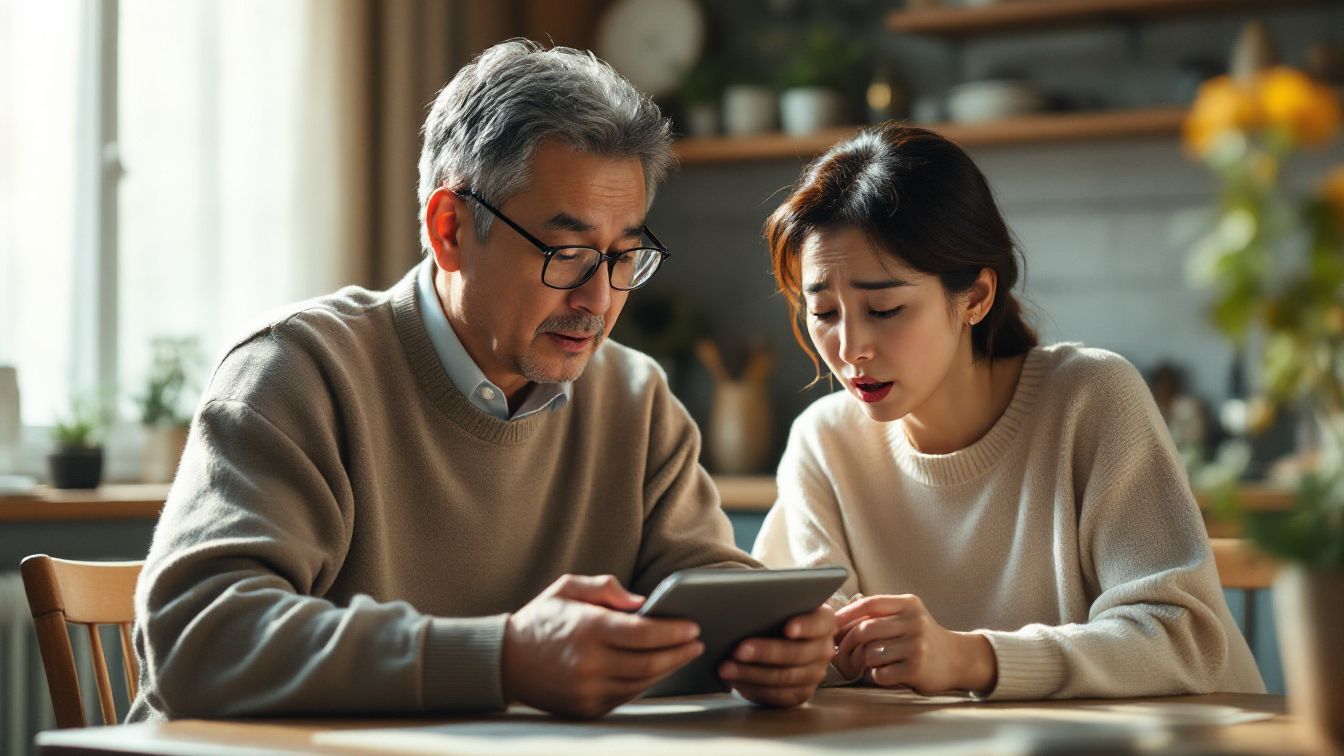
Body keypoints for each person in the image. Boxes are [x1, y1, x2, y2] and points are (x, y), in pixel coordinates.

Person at [128, 40, 834, 722]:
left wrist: (773, 651)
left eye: (624, 256)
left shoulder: (635, 398)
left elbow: (707, 597)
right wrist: (501, 657)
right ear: (450, 230)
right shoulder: (299, 370)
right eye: (566, 252)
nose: (598, 300)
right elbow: (197, 638)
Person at [753, 124, 1265, 700]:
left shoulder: (1090, 398)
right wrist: (797, 650)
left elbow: (1184, 638)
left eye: (885, 308)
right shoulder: (824, 442)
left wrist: (972, 658)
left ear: (975, 297)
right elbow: (815, 640)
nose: (850, 350)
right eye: (823, 313)